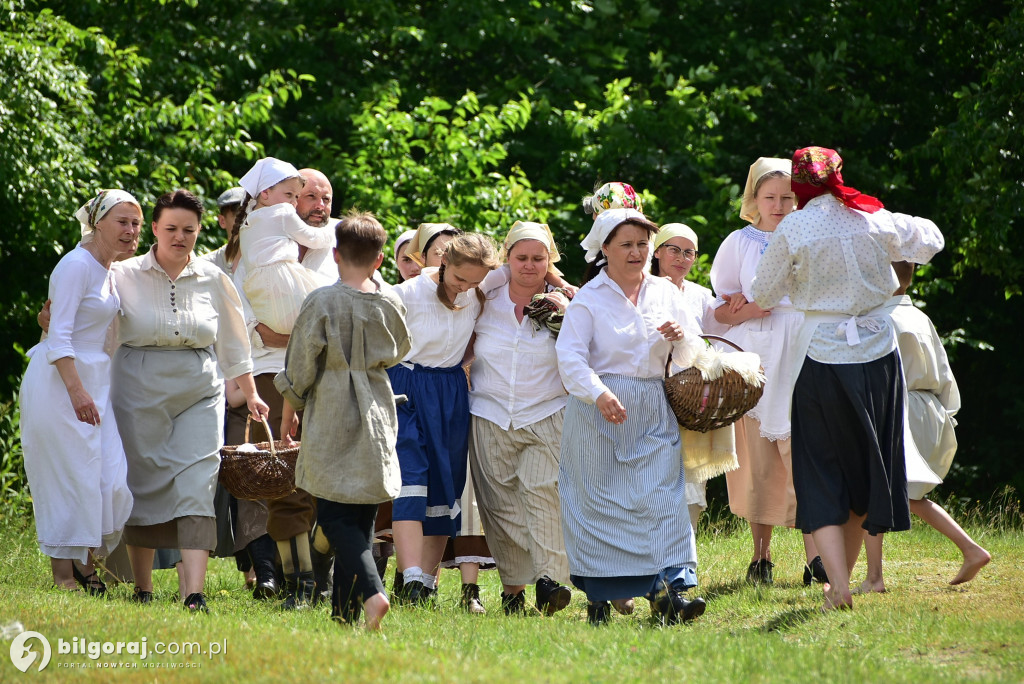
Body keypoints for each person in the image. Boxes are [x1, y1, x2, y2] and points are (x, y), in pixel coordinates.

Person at [751, 146, 945, 611]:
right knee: (867, 465)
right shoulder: (873, 216)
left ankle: (838, 586)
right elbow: (931, 240)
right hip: (878, 351)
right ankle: (844, 581)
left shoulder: (794, 226)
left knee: (819, 467)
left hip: (820, 353)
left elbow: (762, 292)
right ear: (839, 174)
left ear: (798, 183)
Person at [112, 189, 269, 613]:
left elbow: (235, 345)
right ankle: (142, 587)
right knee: (141, 482)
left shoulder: (215, 278)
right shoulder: (123, 274)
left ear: (200, 231)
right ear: (155, 230)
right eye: (171, 229)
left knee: (198, 482)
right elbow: (94, 326)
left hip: (199, 390)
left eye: (189, 230)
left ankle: (194, 593)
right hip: (136, 387)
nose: (180, 237)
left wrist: (251, 393)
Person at [556, 208, 706, 626]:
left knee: (662, 496)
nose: (637, 252)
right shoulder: (589, 297)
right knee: (599, 502)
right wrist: (598, 392)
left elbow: (694, 351)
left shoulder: (665, 291)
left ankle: (671, 590)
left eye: (643, 244)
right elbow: (569, 355)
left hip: (652, 403)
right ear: (605, 249)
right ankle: (600, 598)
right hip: (598, 409)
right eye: (626, 244)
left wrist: (682, 338)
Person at [275, 211, 411, 630]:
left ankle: (372, 594)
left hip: (331, 408)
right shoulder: (389, 300)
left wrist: (290, 410)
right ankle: (344, 614)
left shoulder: (321, 301)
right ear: (381, 259)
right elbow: (400, 349)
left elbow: (299, 366)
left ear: (334, 254)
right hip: (375, 407)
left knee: (333, 516)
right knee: (362, 516)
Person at [710, 157, 826, 586]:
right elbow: (725, 306)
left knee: (805, 454)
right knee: (758, 460)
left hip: (803, 346)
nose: (779, 205)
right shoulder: (739, 242)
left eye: (788, 197)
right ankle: (761, 556)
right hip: (757, 351)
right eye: (770, 197)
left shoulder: (812, 237)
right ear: (754, 199)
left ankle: (816, 557)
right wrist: (756, 306)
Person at [19, 190, 141, 594]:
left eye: (136, 223)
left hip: (95, 380)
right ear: (98, 222)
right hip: (62, 383)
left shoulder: (108, 270)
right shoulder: (75, 265)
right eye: (122, 221)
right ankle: (66, 575)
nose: (130, 230)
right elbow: (59, 334)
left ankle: (88, 564)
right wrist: (76, 392)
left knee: (108, 478)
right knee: (70, 476)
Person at [236, 167, 340, 610]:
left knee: (330, 480)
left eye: (326, 198)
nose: (319, 206)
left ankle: (321, 570)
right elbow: (239, 310)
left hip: (328, 374)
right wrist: (272, 334)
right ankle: (298, 585)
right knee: (285, 482)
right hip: (271, 372)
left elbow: (364, 296)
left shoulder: (340, 243)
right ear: (287, 201)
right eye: (309, 197)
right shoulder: (256, 241)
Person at [855, 262, 990, 593]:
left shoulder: (879, 320)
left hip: (898, 407)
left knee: (884, 491)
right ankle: (969, 550)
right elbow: (944, 373)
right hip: (929, 407)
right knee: (900, 493)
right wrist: (946, 415)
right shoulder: (919, 317)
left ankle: (875, 578)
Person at [468, 221, 574, 616]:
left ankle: (550, 582)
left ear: (549, 262)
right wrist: (497, 272)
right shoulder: (483, 301)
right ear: (507, 259)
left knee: (544, 495)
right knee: (500, 506)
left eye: (538, 259)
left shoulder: (566, 305)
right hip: (489, 413)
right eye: (521, 257)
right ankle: (513, 591)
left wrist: (560, 288)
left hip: (546, 412)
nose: (529, 266)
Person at [387, 232, 500, 604]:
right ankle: (411, 573)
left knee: (444, 482)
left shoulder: (478, 293)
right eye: (458, 279)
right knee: (410, 477)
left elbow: (532, 268)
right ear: (443, 262)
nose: (464, 288)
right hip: (407, 384)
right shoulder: (406, 294)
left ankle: (424, 585)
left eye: (473, 282)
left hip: (450, 389)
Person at [651, 223, 737, 531]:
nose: (681, 257)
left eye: (689, 252)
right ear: (657, 251)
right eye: (673, 249)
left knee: (690, 478)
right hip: (651, 390)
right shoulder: (641, 289)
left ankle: (684, 563)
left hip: (690, 395)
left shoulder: (702, 296)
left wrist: (740, 303)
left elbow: (724, 334)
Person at [235, 157, 334, 335]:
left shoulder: (248, 223)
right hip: (283, 283)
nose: (293, 202)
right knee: (329, 302)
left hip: (261, 295)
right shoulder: (283, 212)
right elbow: (312, 237)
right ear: (265, 193)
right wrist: (332, 234)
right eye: (310, 196)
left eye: (326, 199)